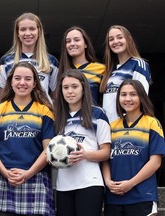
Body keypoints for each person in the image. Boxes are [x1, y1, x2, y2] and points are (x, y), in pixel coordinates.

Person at [0, 62, 56, 216]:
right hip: (3, 177)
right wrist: (5, 172)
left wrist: (28, 173)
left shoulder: (45, 111)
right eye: (17, 78)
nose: (22, 83)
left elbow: (48, 150)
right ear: (11, 82)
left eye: (28, 79)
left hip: (36, 176)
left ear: (35, 83)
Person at [102, 79, 165, 216]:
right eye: (123, 95)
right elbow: (105, 159)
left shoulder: (151, 123)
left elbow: (155, 162)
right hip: (114, 198)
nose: (128, 99)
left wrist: (130, 183)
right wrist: (107, 182)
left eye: (133, 94)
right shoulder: (112, 127)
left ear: (141, 97)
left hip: (142, 195)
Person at [54, 69, 111, 216]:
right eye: (65, 88)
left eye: (74, 86)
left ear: (84, 88)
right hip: (64, 185)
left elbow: (106, 152)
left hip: (90, 183)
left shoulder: (97, 113)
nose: (70, 91)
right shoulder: (58, 117)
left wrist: (85, 155)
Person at [0, 12, 59, 103]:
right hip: (13, 114)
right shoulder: (6, 61)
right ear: (17, 33)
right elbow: (1, 95)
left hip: (43, 114)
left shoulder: (51, 61)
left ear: (39, 31)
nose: (27, 33)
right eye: (23, 29)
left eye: (32, 29)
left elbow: (56, 95)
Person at [100, 25, 151, 123]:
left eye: (120, 37)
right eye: (111, 39)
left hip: (127, 126)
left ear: (129, 39)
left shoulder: (138, 64)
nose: (115, 41)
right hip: (108, 127)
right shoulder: (109, 71)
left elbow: (141, 97)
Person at [58, 26, 105, 105]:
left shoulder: (101, 69)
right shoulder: (61, 70)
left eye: (77, 40)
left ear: (86, 44)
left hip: (93, 116)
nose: (72, 44)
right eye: (68, 41)